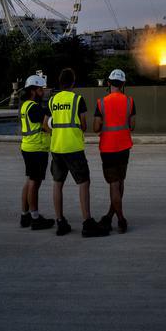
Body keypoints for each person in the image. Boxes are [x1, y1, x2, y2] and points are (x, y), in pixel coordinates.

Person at [45, 67, 108, 238]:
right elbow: (83, 124)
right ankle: (87, 223)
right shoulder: (77, 99)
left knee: (58, 184)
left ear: (60, 82)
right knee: (84, 183)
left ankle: (60, 222)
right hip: (73, 148)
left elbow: (45, 125)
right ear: (73, 82)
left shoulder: (52, 100)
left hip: (57, 148)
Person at [93, 68, 136, 234]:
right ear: (123, 84)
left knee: (113, 184)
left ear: (109, 83)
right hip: (124, 146)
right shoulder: (130, 101)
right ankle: (111, 216)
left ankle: (121, 219)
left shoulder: (101, 103)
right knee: (120, 181)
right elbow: (132, 126)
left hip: (108, 148)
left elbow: (96, 128)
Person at [19, 74, 54, 230]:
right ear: (34, 90)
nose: (43, 92)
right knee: (35, 182)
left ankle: (24, 215)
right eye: (41, 89)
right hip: (37, 148)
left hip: (28, 147)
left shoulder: (25, 105)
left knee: (29, 181)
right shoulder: (34, 107)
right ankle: (35, 218)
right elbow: (46, 126)